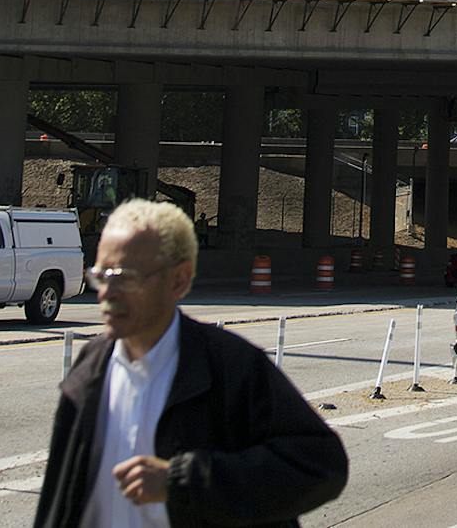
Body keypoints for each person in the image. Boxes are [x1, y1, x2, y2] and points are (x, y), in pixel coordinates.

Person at [35, 199, 346, 528]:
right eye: (101, 275)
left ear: (178, 280)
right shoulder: (91, 366)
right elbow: (60, 497)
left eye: (125, 277)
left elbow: (321, 464)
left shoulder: (230, 367)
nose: (107, 293)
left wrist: (183, 482)